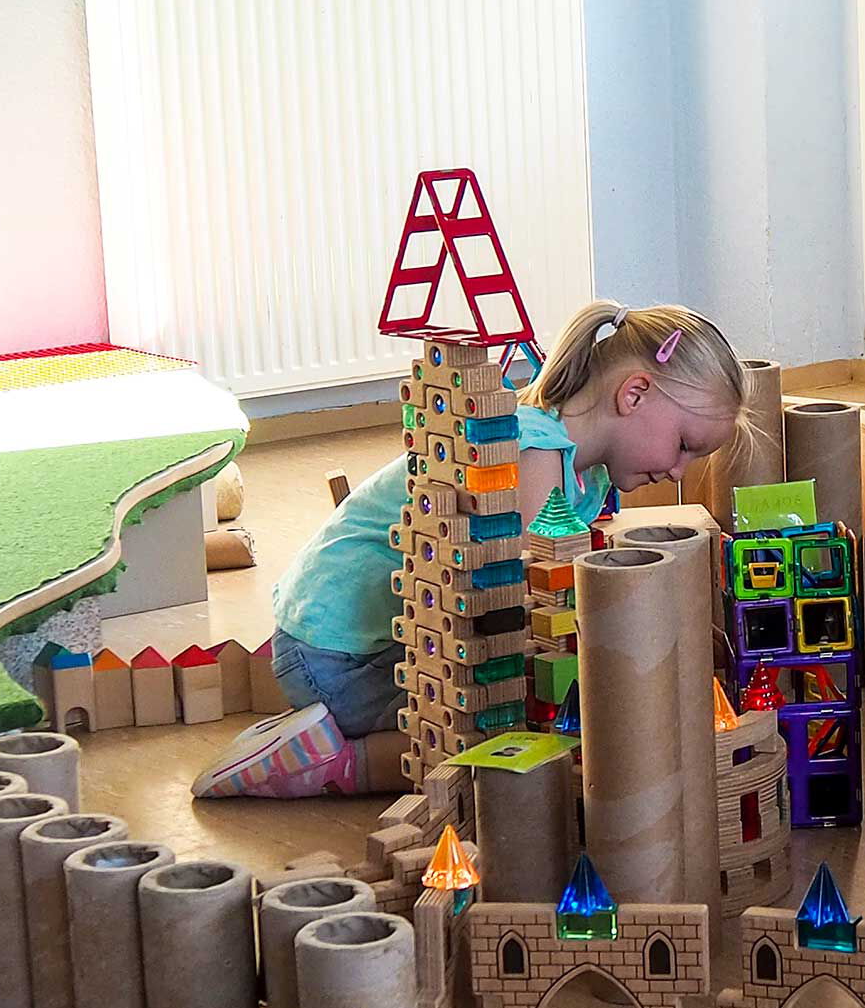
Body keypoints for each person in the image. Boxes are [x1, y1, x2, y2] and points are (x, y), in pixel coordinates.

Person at [192, 301, 746, 798]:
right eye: (683, 446)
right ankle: (327, 763)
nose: (679, 471)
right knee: (488, 745)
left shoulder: (587, 476)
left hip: (376, 642)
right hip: (339, 656)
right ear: (634, 393)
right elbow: (516, 611)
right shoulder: (533, 455)